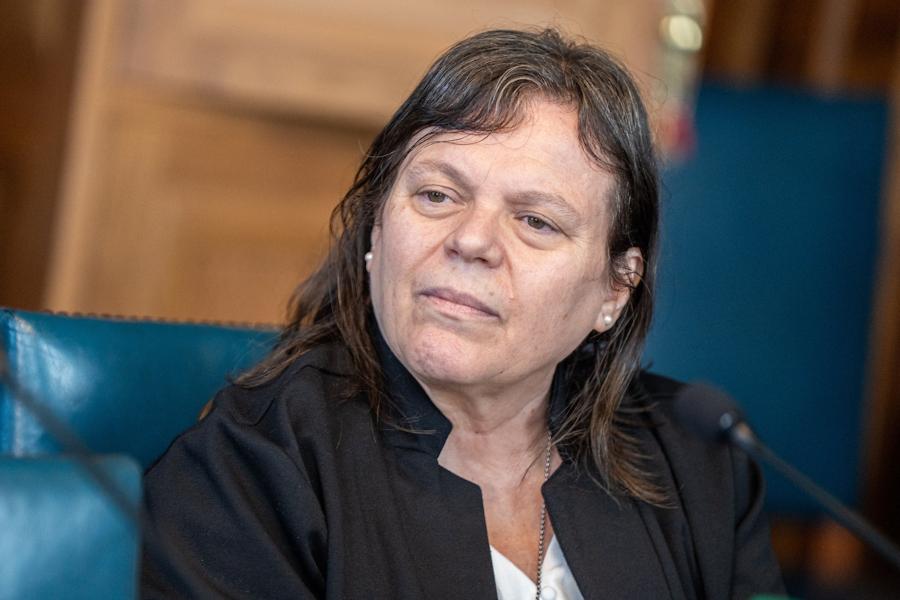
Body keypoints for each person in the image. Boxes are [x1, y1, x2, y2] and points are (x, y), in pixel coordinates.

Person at [141, 28, 784, 599]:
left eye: (535, 220)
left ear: (615, 288)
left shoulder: (700, 463)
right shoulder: (255, 467)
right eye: (437, 194)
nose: (470, 240)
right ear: (375, 233)